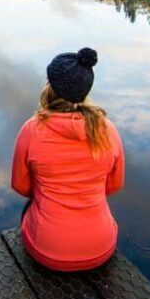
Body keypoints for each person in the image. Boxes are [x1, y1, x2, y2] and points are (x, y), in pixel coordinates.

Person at [11, 46, 124, 271]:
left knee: (29, 206)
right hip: (101, 247)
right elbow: (114, 185)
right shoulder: (108, 129)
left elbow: (20, 186)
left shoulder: (32, 130)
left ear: (49, 87)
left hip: (46, 250)